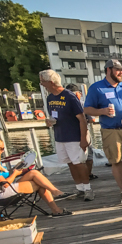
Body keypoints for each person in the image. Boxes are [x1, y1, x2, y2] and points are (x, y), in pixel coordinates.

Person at [84, 59, 122, 200]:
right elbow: (87, 109)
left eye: (121, 70)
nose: (120, 72)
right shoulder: (96, 88)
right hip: (111, 130)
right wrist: (103, 111)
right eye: (117, 70)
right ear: (108, 70)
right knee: (116, 161)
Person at [0, 135, 72, 216]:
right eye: (1, 148)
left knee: (34, 173)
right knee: (40, 183)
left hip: (1, 189)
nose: (3, 151)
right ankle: (56, 205)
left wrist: (17, 169)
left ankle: (55, 195)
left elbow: (3, 176)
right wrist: (15, 173)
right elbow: (4, 184)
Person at [41, 70, 94, 201]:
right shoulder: (50, 98)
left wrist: (83, 139)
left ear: (51, 82)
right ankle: (79, 188)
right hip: (60, 136)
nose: (41, 84)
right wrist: (49, 122)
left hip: (73, 136)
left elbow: (82, 119)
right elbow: (54, 115)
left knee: (79, 163)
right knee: (70, 163)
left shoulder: (69, 96)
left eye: (43, 81)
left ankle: (88, 189)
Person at [65, 84, 96, 181]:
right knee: (88, 156)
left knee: (73, 158)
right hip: (84, 132)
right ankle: (88, 175)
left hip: (69, 134)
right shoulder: (83, 104)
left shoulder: (64, 105)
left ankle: (80, 178)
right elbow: (92, 120)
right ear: (79, 93)